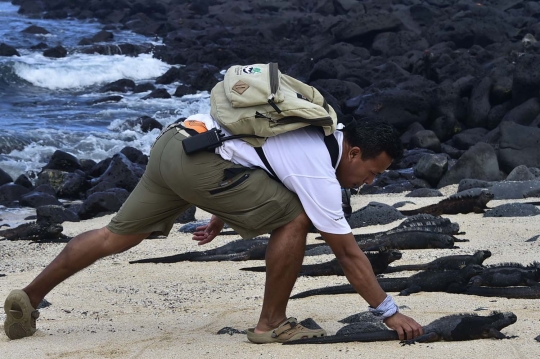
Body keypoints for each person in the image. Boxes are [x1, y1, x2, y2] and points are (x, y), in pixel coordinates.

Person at [3, 114, 423, 343]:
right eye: (372, 171)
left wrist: (220, 213)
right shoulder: (319, 172)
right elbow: (348, 254)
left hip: (176, 141)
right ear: (353, 152)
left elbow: (261, 157)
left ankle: (30, 296)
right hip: (202, 165)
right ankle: (271, 324)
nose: (371, 182)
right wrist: (388, 312)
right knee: (296, 216)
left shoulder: (316, 127)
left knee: (115, 236)